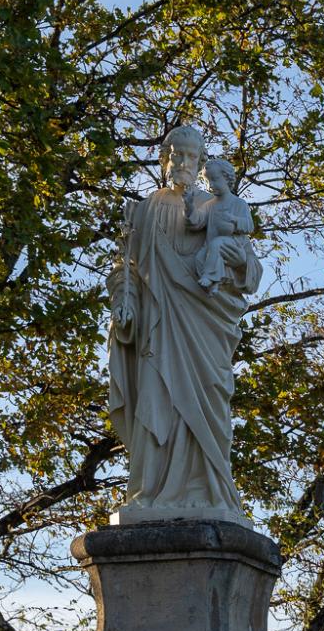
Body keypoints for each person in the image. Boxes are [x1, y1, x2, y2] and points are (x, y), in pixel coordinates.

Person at [105, 125, 259, 525]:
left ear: (202, 164)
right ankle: (151, 494)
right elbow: (128, 272)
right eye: (177, 155)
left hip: (204, 334)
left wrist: (234, 263)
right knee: (156, 405)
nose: (184, 163)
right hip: (158, 331)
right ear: (165, 160)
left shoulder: (217, 207)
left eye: (192, 158)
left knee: (208, 406)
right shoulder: (146, 209)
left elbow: (250, 270)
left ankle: (206, 490)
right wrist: (124, 307)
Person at [186, 157, 256, 295]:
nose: (210, 185)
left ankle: (209, 277)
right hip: (213, 247)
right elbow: (197, 222)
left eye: (214, 180)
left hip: (234, 245)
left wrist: (234, 220)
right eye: (207, 181)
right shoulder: (209, 206)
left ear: (226, 178)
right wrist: (189, 207)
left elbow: (249, 226)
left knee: (216, 244)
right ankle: (215, 285)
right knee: (200, 257)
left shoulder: (238, 203)